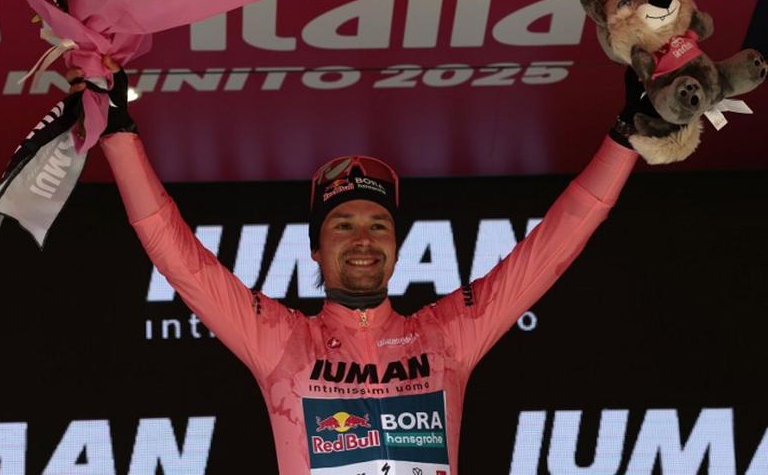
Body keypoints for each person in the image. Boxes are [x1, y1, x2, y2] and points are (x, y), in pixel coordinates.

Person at [69, 58, 639, 474]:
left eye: (378, 224)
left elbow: (551, 247)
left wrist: (626, 140)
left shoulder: (446, 336)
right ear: (315, 249)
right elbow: (177, 254)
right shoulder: (280, 341)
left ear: (397, 245)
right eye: (342, 225)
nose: (362, 239)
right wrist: (118, 133)